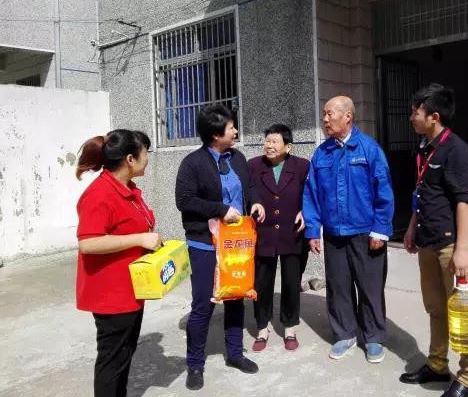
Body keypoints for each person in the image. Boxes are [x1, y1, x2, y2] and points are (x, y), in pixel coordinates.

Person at [175, 104, 266, 391]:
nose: (236, 131)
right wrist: (220, 209)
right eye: (231, 127)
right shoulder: (192, 163)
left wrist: (256, 202)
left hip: (235, 243)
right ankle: (195, 364)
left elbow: (249, 187)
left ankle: (235, 354)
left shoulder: (238, 158)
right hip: (204, 243)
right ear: (216, 134)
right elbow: (185, 201)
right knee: (203, 304)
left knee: (236, 297)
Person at [400, 84, 468, 397]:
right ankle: (437, 365)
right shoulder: (425, 148)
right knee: (436, 308)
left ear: (434, 117)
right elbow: (423, 193)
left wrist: (461, 249)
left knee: (462, 311)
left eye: (416, 112)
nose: (411, 117)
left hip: (453, 246)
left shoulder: (457, 150)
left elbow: (464, 201)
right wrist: (411, 228)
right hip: (428, 241)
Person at [303, 95, 394, 363]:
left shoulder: (369, 149)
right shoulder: (322, 153)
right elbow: (311, 194)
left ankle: (373, 337)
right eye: (324, 114)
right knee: (338, 287)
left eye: (329, 114)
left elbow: (384, 190)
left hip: (366, 232)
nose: (325, 119)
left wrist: (380, 229)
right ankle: (345, 334)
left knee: (370, 287)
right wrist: (312, 230)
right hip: (334, 234)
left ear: (348, 117)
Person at [75, 129, 162, 397]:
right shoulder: (99, 194)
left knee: (124, 355)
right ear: (130, 159)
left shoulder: (128, 189)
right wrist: (139, 239)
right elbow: (88, 243)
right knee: (112, 362)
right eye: (145, 152)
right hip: (111, 295)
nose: (148, 158)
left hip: (132, 289)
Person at [248, 124, 310, 352]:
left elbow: (311, 193)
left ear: (288, 146)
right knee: (261, 283)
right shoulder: (253, 165)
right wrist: (254, 201)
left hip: (292, 232)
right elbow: (248, 190)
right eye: (267, 141)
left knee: (291, 281)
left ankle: (290, 327)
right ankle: (262, 327)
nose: (269, 145)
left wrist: (306, 211)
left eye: (274, 141)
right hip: (263, 233)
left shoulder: (302, 166)